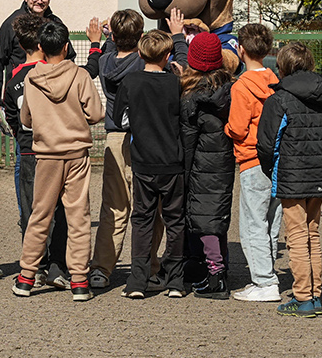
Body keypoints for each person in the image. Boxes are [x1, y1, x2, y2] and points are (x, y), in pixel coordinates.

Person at [85, 8, 188, 289]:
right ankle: (149, 266)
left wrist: (101, 40)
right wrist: (178, 37)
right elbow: (182, 65)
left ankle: (101, 267)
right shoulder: (143, 64)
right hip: (150, 140)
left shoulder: (104, 62)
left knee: (114, 206)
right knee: (151, 207)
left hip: (115, 138)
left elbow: (111, 53)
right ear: (142, 39)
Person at [13, 20, 105, 302]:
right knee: (78, 217)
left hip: (46, 156)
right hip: (76, 154)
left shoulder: (31, 78)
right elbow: (96, 114)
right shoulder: (79, 75)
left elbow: (25, 119)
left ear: (40, 47)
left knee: (40, 214)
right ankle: (79, 281)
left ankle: (26, 277)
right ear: (66, 47)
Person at [255, 41, 322, 316]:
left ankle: (302, 297)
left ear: (282, 66)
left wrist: (271, 169)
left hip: (291, 174)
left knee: (297, 236)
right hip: (319, 173)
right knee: (312, 233)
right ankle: (315, 294)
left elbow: (266, 144)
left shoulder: (278, 100)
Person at [116, 30, 188, 298]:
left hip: (143, 161)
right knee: (175, 221)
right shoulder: (175, 83)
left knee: (142, 220)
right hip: (172, 161)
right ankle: (176, 281)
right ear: (168, 55)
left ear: (139, 53)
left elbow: (119, 118)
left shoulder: (131, 81)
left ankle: (137, 280)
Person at [3, 14, 71, 288]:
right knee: (59, 210)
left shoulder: (15, 78)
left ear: (20, 45)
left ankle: (34, 267)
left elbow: (11, 114)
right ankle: (58, 266)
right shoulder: (55, 72)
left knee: (31, 210)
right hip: (56, 148)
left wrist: (20, 134)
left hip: (29, 150)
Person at [225, 23, 284, 302]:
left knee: (253, 223)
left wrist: (225, 129)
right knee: (272, 222)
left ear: (240, 49)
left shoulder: (241, 86)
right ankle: (266, 274)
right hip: (277, 158)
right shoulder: (276, 81)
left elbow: (237, 128)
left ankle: (264, 280)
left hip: (251, 158)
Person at [179, 31, 236, 299]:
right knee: (217, 216)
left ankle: (215, 275)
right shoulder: (228, 91)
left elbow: (187, 141)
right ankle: (221, 267)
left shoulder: (191, 98)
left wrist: (183, 172)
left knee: (204, 220)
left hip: (199, 165)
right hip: (222, 163)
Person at [0, 0, 71, 108]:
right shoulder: (11, 24)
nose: (39, 1)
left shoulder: (55, 23)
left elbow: (69, 57)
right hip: (20, 93)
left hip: (51, 93)